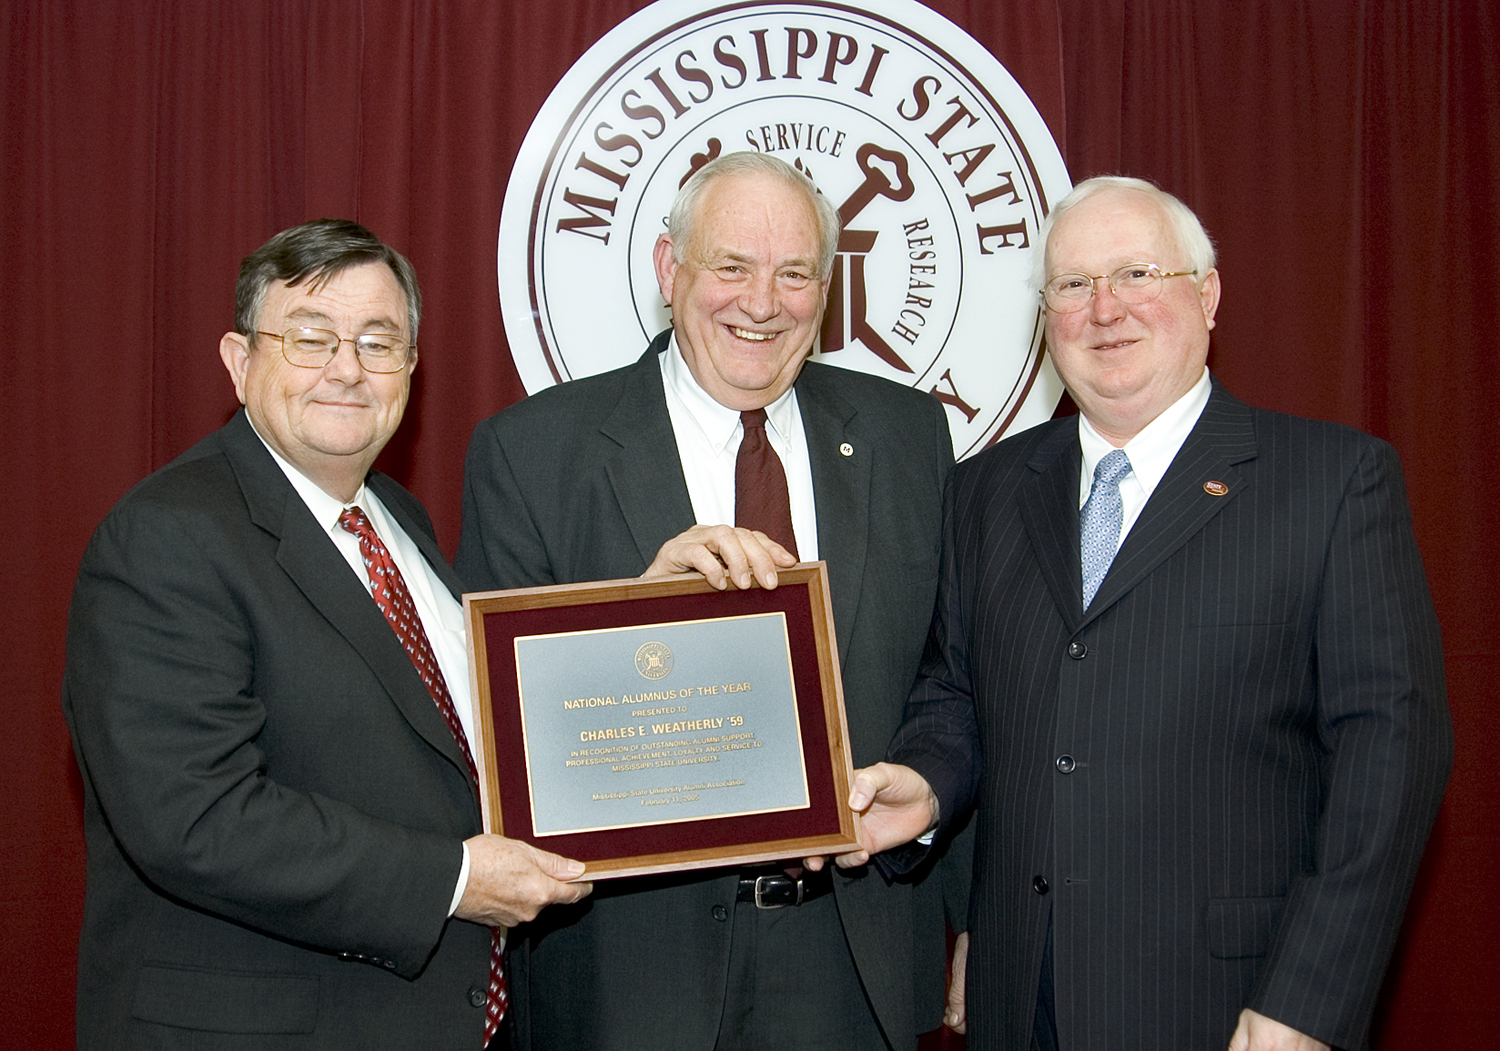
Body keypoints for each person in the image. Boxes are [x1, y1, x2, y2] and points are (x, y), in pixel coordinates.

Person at [835, 177, 1452, 1051]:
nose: (1104, 308)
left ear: (1206, 296)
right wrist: (926, 787)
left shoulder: (1332, 483)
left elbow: (1392, 755)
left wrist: (1309, 1001)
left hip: (1231, 1005)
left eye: (1135, 274)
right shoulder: (986, 490)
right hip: (1022, 1000)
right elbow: (958, 696)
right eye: (1074, 285)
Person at [457, 152, 962, 1050]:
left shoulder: (907, 434)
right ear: (669, 269)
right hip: (627, 971)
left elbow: (949, 673)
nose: (762, 303)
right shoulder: (532, 453)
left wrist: (922, 783)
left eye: (796, 273)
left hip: (854, 963)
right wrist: (629, 617)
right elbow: (494, 742)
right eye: (731, 266)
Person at [63, 219, 591, 1050]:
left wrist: (647, 612)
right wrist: (454, 879)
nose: (348, 367)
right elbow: (198, 817)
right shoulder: (167, 536)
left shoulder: (398, 520)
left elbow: (469, 738)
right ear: (241, 362)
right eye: (310, 338)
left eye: (379, 343)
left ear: (411, 370)